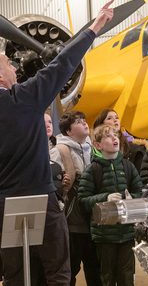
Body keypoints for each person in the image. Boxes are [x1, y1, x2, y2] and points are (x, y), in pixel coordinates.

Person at [0, 0, 114, 285]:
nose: (13, 69)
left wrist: (0, 188)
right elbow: (62, 64)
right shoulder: (24, 98)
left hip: (3, 202)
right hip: (39, 197)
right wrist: (94, 27)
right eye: (9, 65)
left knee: (16, 275)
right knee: (57, 270)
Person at [77, 125, 142, 286]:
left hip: (126, 233)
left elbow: (140, 192)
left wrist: (131, 198)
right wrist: (105, 197)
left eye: (115, 135)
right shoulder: (92, 170)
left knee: (127, 277)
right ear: (98, 145)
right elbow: (83, 200)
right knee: (107, 278)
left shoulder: (128, 166)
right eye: (108, 136)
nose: (114, 138)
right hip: (104, 236)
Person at [49, 111, 101, 286]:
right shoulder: (60, 150)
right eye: (78, 122)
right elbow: (53, 185)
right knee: (69, 271)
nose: (84, 123)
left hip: (94, 221)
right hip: (71, 222)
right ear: (68, 132)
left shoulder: (94, 149)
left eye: (84, 119)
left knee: (96, 270)